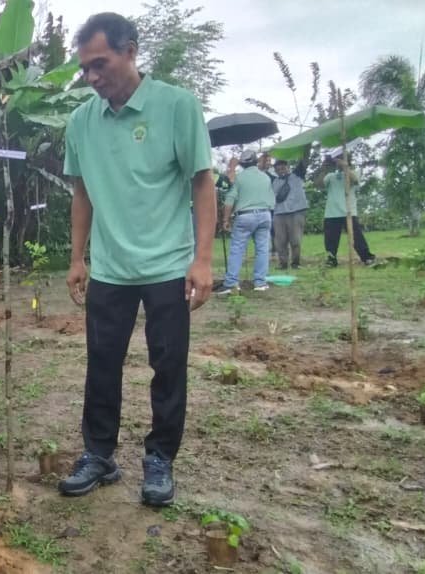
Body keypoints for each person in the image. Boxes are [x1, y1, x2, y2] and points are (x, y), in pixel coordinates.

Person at [59, 12, 215, 507]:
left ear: (130, 52)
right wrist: (77, 257)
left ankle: (160, 459)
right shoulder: (81, 122)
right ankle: (98, 454)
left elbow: (202, 181)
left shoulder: (176, 106)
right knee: (101, 364)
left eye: (99, 64)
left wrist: (203, 259)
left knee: (168, 366)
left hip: (169, 266)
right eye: (85, 68)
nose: (91, 76)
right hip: (110, 268)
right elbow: (82, 192)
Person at [215, 150, 275, 294]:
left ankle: (231, 283)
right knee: (262, 249)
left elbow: (230, 200)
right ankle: (260, 283)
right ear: (256, 161)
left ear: (242, 164)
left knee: (237, 249)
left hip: (245, 216)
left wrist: (225, 219)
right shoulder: (266, 177)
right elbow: (272, 200)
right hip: (265, 214)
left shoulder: (240, 178)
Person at [319, 156, 376, 267]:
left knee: (356, 237)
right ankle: (331, 260)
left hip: (349, 211)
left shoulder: (353, 173)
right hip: (332, 212)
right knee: (330, 240)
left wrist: (345, 167)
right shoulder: (330, 176)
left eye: (339, 160)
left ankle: (367, 258)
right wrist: (324, 169)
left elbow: (355, 181)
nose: (337, 162)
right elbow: (319, 185)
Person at [271, 157, 310, 269]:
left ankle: (295, 263)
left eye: (283, 168)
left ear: (288, 167)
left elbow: (304, 160)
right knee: (280, 241)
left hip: (296, 212)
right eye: (278, 169)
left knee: (295, 240)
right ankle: (282, 263)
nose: (281, 171)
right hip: (279, 213)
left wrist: (305, 148)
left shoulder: (297, 175)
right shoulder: (274, 181)